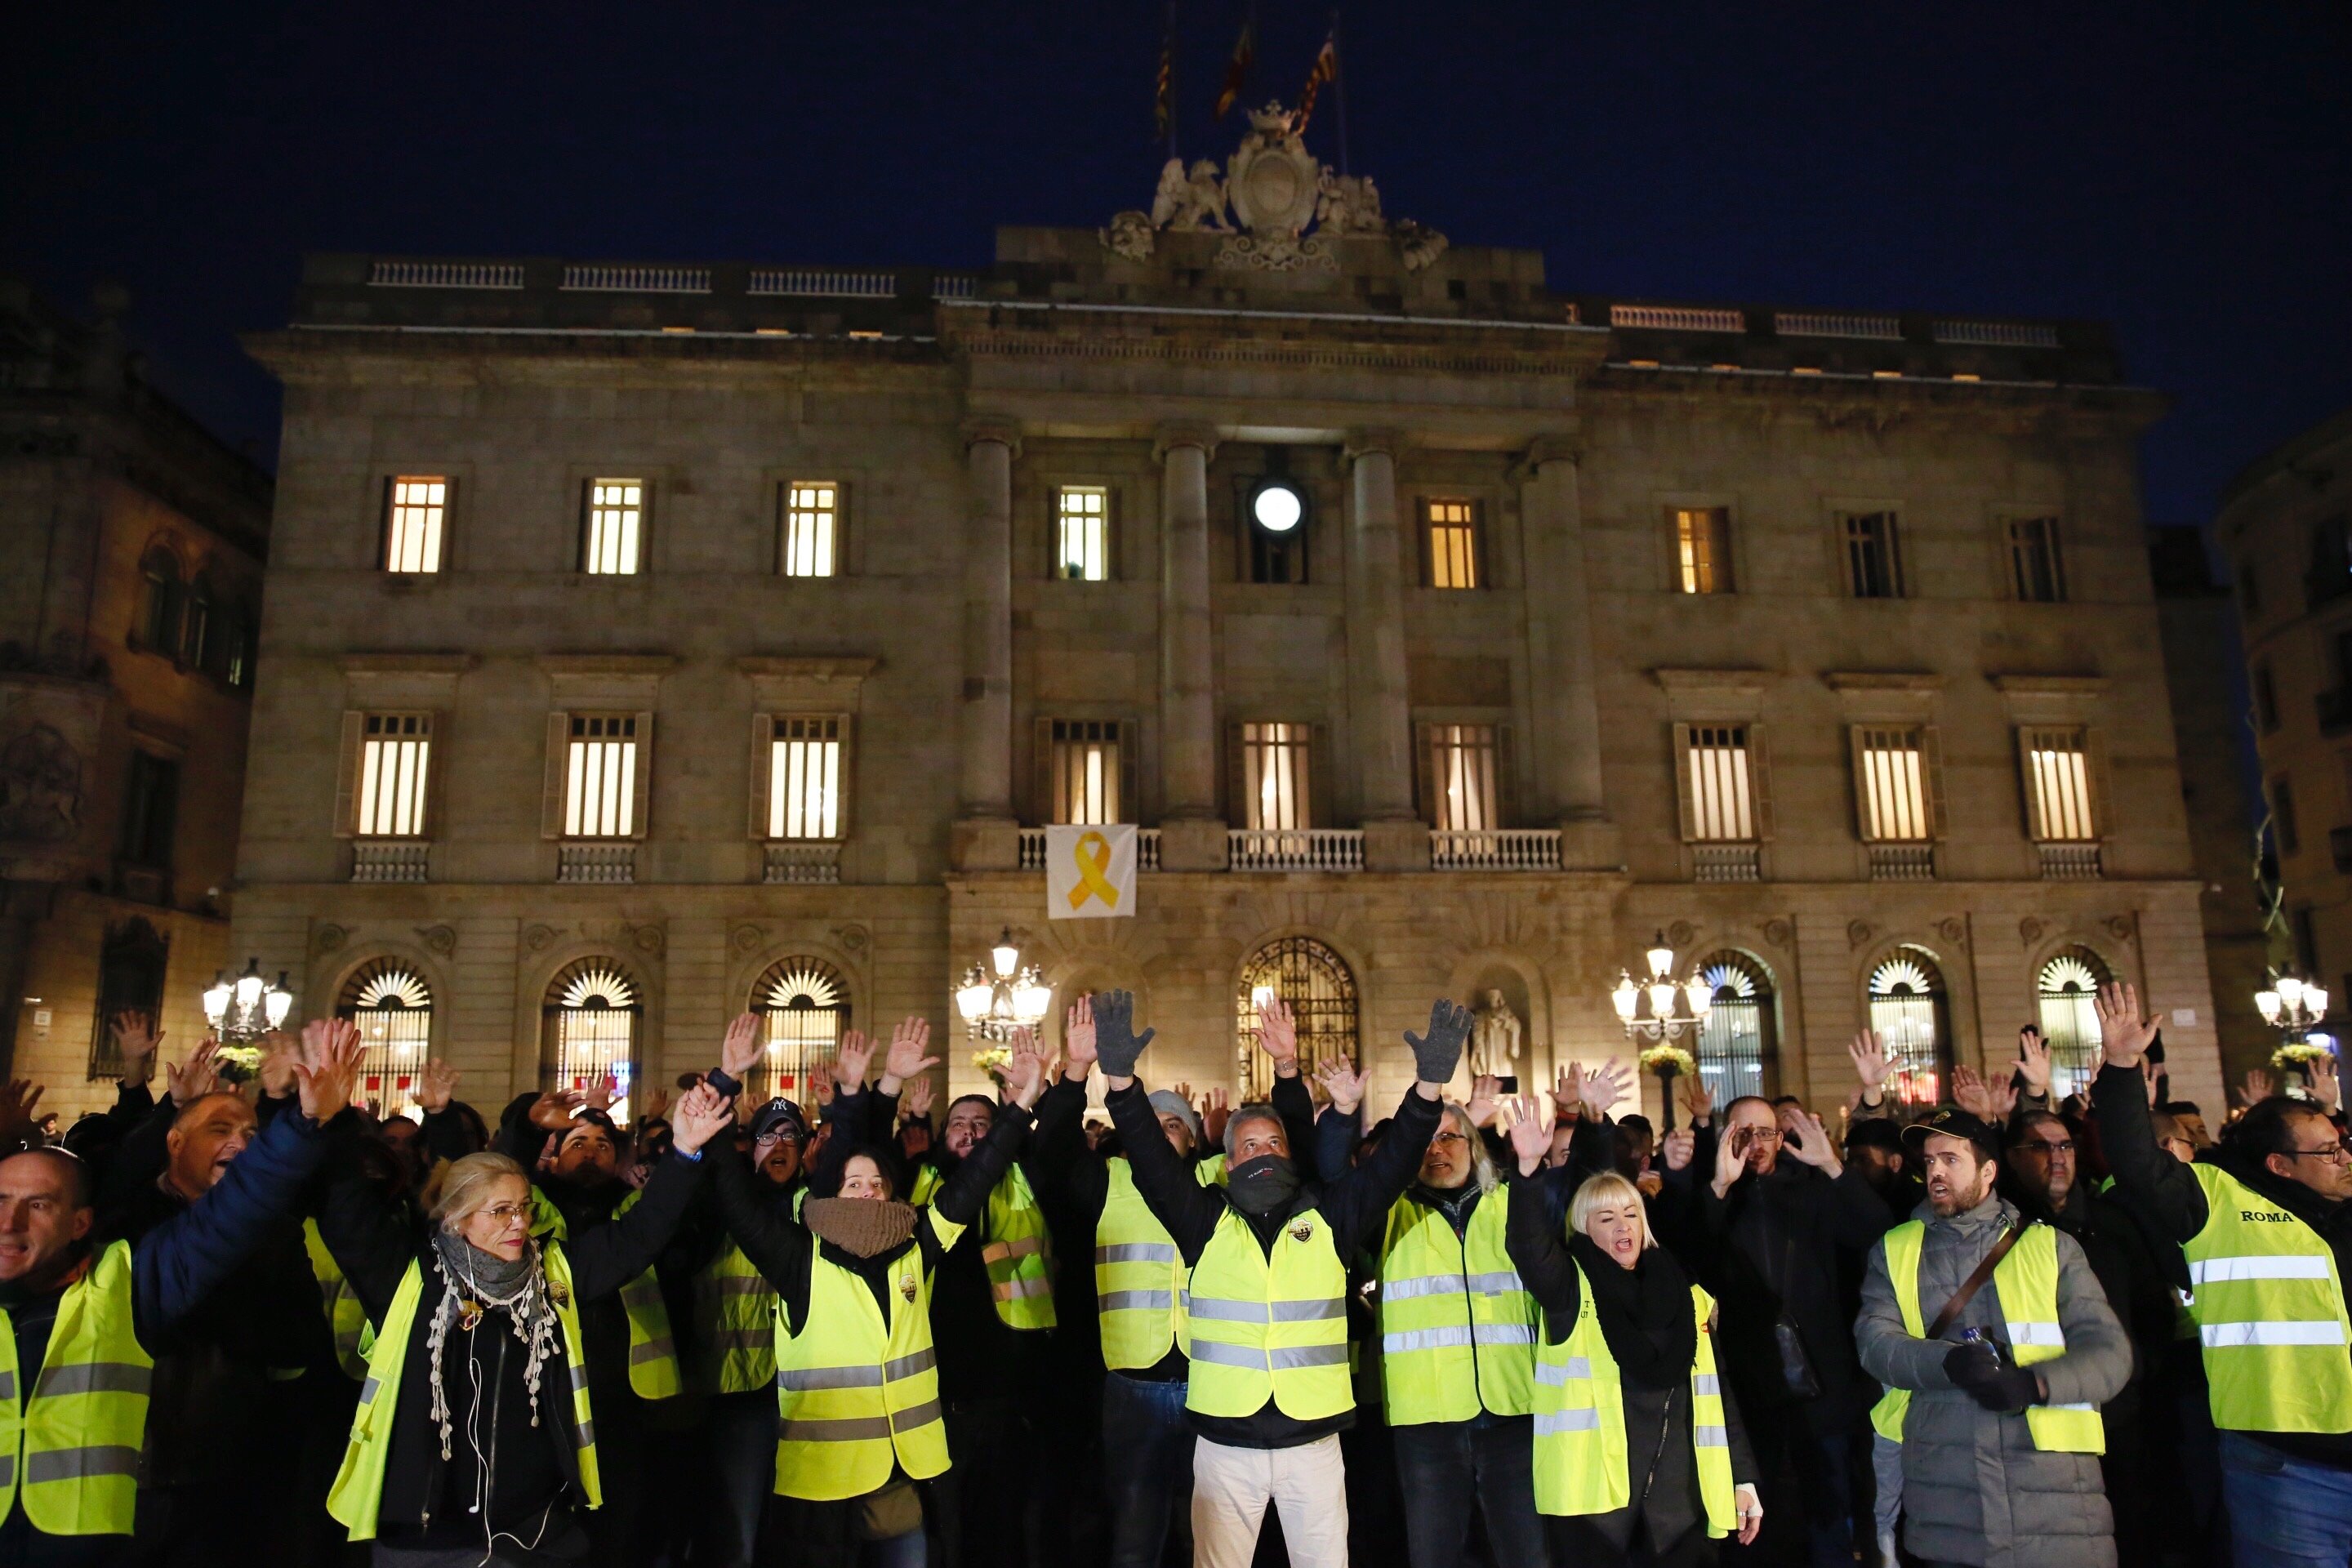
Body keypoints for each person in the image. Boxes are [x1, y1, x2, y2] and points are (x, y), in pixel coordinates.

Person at [1095, 987, 1464, 1568]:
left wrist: (1427, 1091)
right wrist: (1121, 1083)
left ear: (1291, 1156)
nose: (1263, 1151)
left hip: (1312, 1444)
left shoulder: (1330, 1215)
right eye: (1250, 1145)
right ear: (1229, 1160)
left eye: (1274, 1142)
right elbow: (1149, 1157)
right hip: (1226, 1444)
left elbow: (1393, 1164)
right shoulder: (1203, 1221)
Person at [315, 1080, 730, 1563]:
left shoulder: (554, 1271)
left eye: (524, 1208)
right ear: (457, 1219)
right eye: (501, 1211)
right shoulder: (410, 1278)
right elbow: (345, 1211)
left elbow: (640, 1235)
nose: (519, 1223)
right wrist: (329, 1121)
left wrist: (683, 1152)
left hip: (535, 1531)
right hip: (428, 1532)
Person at [0, 1020, 362, 1566]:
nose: (10, 1222)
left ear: (80, 1223)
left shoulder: (123, 1282)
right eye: (0, 1200)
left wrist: (305, 1120)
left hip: (111, 1536)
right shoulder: (135, 1214)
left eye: (40, 1205)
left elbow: (235, 1207)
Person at [707, 1011, 1047, 1568]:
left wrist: (1018, 1109)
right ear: (831, 1193)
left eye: (876, 1184)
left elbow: (976, 1177)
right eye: (852, 1183)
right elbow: (736, 1202)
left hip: (904, 1478)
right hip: (824, 1489)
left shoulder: (916, 1244)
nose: (865, 1192)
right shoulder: (799, 1257)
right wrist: (724, 1087)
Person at [2092, 980, 2352, 1568]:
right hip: (2286, 1468)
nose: (2344, 1160)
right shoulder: (2219, 1200)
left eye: (2343, 1146)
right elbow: (2136, 1161)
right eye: (2328, 1151)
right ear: (2280, 1165)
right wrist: (2122, 1065)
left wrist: (2331, 1107)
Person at [1029, 993, 1281, 1568]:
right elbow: (1050, 1147)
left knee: (1213, 1537)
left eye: (1175, 1125)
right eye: (1154, 1123)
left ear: (1194, 1140)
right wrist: (1074, 1072)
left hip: (1212, 1380)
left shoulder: (1221, 1181)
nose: (1163, 1133)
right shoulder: (1107, 1181)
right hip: (1133, 1387)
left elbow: (1285, 1159)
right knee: (1136, 1536)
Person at [1301, 1028, 1544, 1568]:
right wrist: (1342, 1114)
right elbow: (1337, 1180)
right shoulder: (1389, 1213)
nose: (1437, 1151)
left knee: (1526, 1552)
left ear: (1474, 1143)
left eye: (1451, 1138)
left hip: (1512, 1410)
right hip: (1426, 1420)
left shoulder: (1511, 1205)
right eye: (1426, 1142)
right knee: (1435, 1554)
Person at [1857, 1106, 2131, 1568]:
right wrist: (1945, 1364)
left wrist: (2034, 1385)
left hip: (2056, 1501)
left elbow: (2110, 1353)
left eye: (1950, 1159)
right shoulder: (1895, 1248)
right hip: (1947, 1498)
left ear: (1988, 1171)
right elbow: (1875, 1343)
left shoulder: (2052, 1247)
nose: (1936, 1172)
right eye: (1929, 1162)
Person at [1499, 1100, 1763, 1565]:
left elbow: (1718, 1396)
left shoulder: (1686, 1292)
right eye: (1606, 1218)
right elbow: (1526, 1246)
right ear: (1583, 1228)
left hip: (1679, 1508)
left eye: (1631, 1214)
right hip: (1597, 1516)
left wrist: (1743, 1478)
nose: (1623, 1227)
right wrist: (1526, 1172)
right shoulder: (1569, 1290)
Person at [1694, 1035, 1899, 1567]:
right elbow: (1692, 1266)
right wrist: (1718, 1187)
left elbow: (1879, 1236)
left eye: (1767, 1131)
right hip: (1745, 1387)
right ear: (1726, 1136)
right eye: (1745, 1132)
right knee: (1756, 1523)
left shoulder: (1811, 1191)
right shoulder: (1711, 1196)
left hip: (1820, 1381)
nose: (1758, 1142)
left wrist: (1832, 1167)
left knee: (1829, 1514)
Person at [1997, 1032, 2180, 1568]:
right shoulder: (2002, 1233)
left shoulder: (2112, 1222)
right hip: (2038, 1413)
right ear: (2011, 1158)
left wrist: (2139, 1373)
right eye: (2040, 1147)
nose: (2057, 1158)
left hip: (2119, 1411)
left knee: (2129, 1529)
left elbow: (2151, 1310)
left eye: (2065, 1146)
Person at [690, 1093, 808, 1567]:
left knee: (801, 1531)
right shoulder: (720, 1205)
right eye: (767, 1135)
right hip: (738, 1392)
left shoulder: (817, 1205)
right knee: (738, 1533)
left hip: (806, 1395)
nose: (778, 1145)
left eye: (789, 1136)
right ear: (749, 1147)